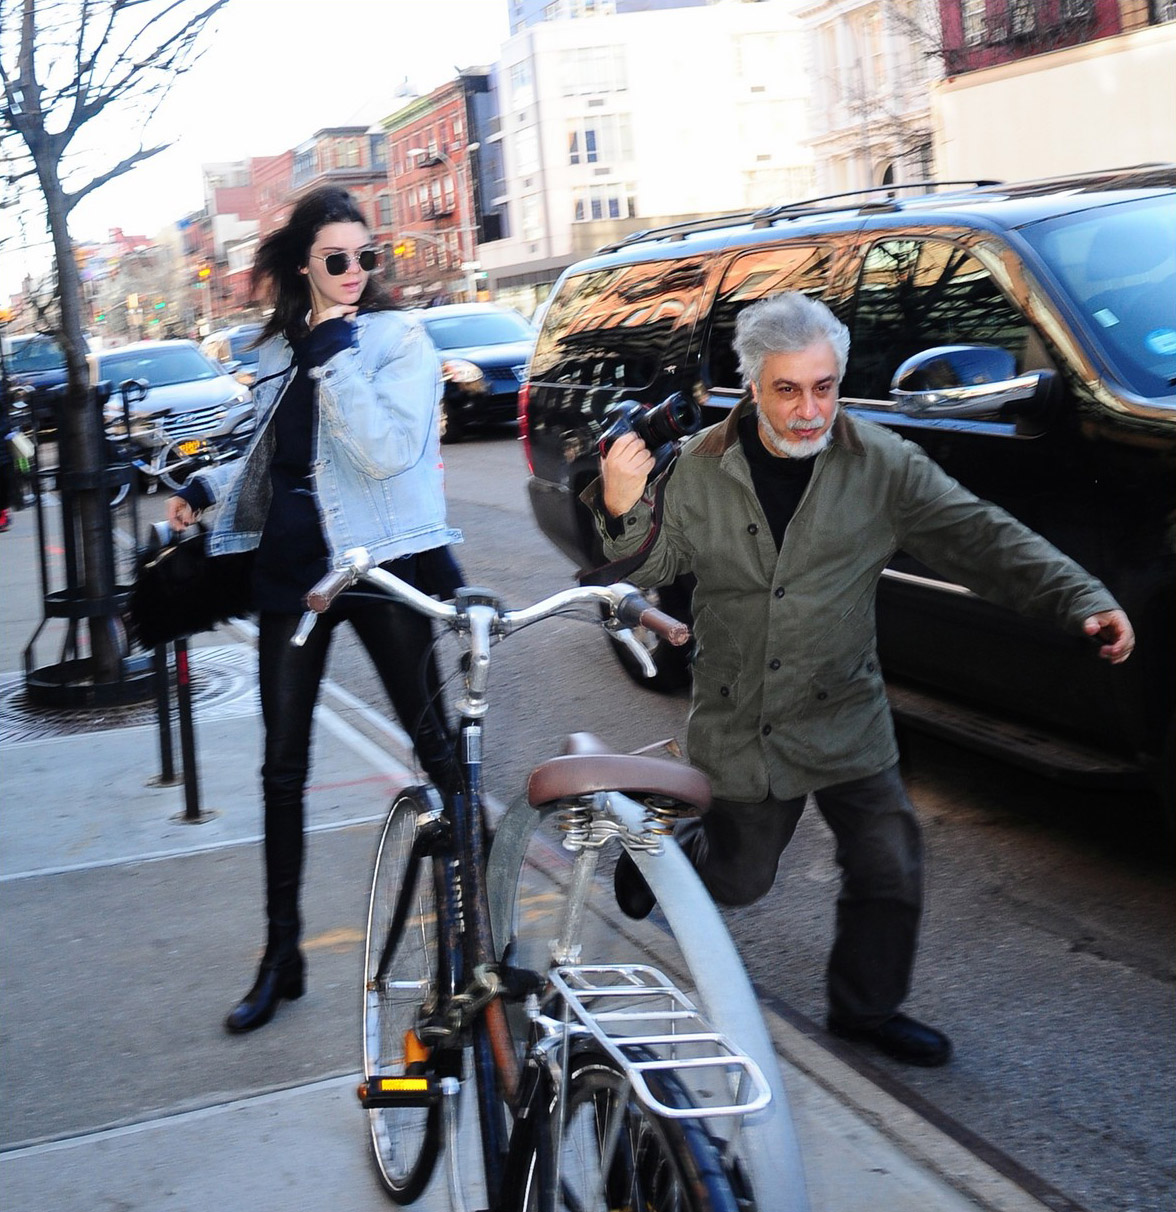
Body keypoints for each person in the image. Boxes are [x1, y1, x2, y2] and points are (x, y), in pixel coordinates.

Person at [592, 292, 1134, 1067]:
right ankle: (665, 851)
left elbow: (977, 535)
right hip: (745, 717)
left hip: (846, 707)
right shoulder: (702, 469)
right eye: (788, 389)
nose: (810, 410)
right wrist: (619, 504)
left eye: (824, 387)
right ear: (753, 386)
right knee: (742, 882)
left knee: (890, 862)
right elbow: (644, 568)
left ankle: (864, 1010)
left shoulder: (879, 463)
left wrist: (1079, 597)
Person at [166, 186, 463, 1035]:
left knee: (438, 749)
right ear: (305, 265)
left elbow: (383, 452)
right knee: (281, 769)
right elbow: (275, 463)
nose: (355, 273)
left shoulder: (396, 341)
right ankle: (282, 956)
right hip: (293, 574)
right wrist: (205, 489)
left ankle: (480, 937)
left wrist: (335, 355)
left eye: (367, 258)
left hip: (378, 567)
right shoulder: (277, 353)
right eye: (336, 260)